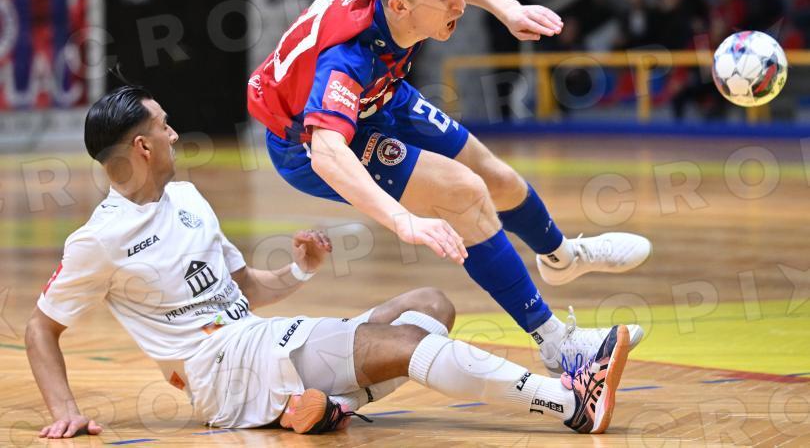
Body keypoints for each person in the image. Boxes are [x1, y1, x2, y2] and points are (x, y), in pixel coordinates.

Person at [26, 87, 632, 438]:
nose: (175, 134)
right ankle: (570, 404)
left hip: (255, 341)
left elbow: (243, 289)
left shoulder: (186, 198)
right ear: (142, 146)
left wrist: (301, 270)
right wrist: (66, 413)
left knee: (431, 304)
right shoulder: (99, 238)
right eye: (165, 127)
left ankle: (333, 405)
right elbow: (40, 328)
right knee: (404, 343)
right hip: (221, 368)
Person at [247, 0, 650, 376]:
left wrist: (508, 8)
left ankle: (561, 258)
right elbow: (327, 153)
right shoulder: (346, 58)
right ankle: (558, 344)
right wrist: (400, 219)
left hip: (380, 94)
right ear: (399, 6)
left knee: (495, 175)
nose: (458, 3)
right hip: (308, 141)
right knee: (465, 192)